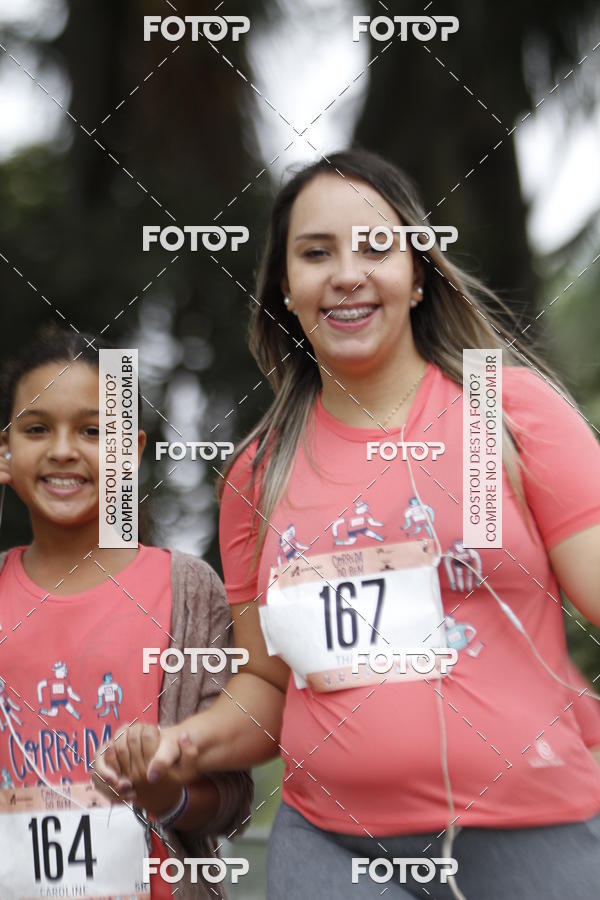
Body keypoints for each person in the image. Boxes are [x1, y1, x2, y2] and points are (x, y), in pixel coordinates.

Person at [102, 148, 600, 898]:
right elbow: (266, 683)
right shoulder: (257, 470)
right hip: (331, 848)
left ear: (418, 273)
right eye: (314, 253)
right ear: (285, 289)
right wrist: (185, 741)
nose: (346, 273)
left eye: (375, 247)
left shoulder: (503, 407)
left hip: (534, 828)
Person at [0, 323, 253, 900]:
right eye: (37, 429)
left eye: (93, 430)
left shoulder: (189, 589)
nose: (63, 449)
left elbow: (233, 799)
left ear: (130, 451)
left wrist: (165, 793)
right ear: (6, 451)